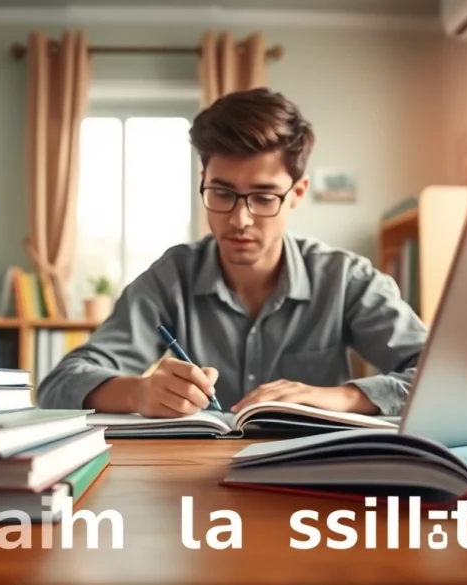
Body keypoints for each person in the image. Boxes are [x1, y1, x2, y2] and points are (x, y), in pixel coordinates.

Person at [36, 87, 427, 418]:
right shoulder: (171, 277)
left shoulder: (346, 279)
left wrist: (340, 397)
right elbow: (60, 384)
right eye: (223, 193)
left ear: (298, 194)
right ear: (203, 182)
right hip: (195, 484)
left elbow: (441, 380)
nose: (240, 219)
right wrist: (139, 392)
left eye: (263, 196)